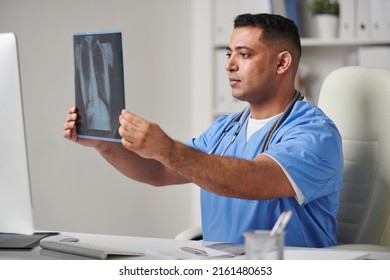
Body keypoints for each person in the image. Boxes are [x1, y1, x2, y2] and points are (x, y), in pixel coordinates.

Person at [64, 13, 343, 247]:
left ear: (281, 63)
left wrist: (167, 148)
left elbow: (253, 181)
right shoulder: (226, 128)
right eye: (229, 53)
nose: (229, 65)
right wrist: (103, 144)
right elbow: (159, 171)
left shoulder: (315, 133)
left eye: (244, 54)